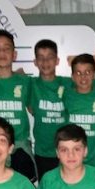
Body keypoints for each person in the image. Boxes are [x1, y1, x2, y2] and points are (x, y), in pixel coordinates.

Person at [0, 30, 36, 182]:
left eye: (7, 48)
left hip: (20, 148)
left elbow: (33, 110)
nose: (2, 52)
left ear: (14, 54)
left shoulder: (26, 81)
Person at [29, 39, 73, 180]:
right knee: (46, 188)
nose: (45, 62)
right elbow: (7, 76)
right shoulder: (30, 84)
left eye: (50, 57)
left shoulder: (68, 83)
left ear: (57, 61)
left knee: (68, 187)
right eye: (41, 58)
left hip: (67, 148)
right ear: (35, 62)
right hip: (42, 152)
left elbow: (91, 77)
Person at [63, 54, 95, 169]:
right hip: (70, 158)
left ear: (94, 74)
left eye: (87, 72)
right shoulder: (66, 95)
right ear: (72, 77)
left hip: (93, 158)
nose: (83, 77)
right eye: (78, 73)